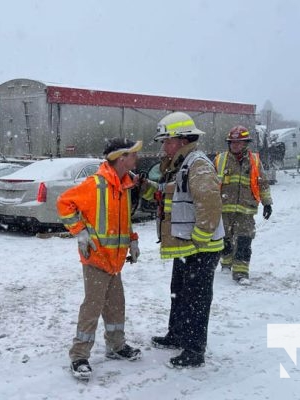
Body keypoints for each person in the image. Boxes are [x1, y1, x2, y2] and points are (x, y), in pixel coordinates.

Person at [141, 112, 224, 368]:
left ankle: (194, 350)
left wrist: (199, 240)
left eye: (166, 141)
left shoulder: (197, 164)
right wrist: (145, 186)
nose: (164, 146)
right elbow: (175, 192)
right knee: (179, 293)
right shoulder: (184, 164)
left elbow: (209, 203)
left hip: (200, 248)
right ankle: (176, 335)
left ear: (180, 140)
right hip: (187, 247)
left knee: (196, 300)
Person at [56, 137, 143, 380]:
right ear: (120, 158)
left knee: (116, 306)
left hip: (114, 261)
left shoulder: (123, 186)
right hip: (96, 259)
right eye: (132, 154)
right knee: (92, 307)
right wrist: (80, 232)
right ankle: (79, 355)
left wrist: (132, 239)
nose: (136, 158)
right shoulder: (96, 184)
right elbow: (64, 203)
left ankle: (116, 346)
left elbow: (122, 220)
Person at [214, 126, 273, 284]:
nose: (235, 145)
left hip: (246, 209)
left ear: (246, 143)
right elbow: (211, 184)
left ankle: (241, 273)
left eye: (239, 142)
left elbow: (263, 183)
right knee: (224, 239)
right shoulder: (220, 160)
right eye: (232, 142)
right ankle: (226, 263)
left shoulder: (254, 160)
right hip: (224, 208)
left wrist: (267, 203)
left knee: (244, 241)